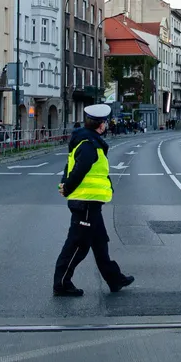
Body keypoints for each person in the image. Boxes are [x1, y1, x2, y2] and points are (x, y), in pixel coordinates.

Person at [53, 103, 134, 297]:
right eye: (105, 122)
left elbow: (69, 166)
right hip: (86, 202)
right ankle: (62, 283)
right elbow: (79, 169)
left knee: (100, 243)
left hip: (89, 203)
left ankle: (114, 279)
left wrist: (65, 184)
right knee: (77, 245)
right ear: (101, 125)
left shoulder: (84, 140)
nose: (106, 126)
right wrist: (68, 187)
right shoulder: (90, 144)